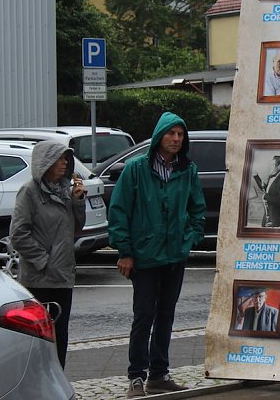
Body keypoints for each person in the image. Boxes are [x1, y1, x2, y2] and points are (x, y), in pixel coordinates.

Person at [108, 112, 206, 398]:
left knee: (166, 315)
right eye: (171, 133)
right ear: (159, 136)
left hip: (175, 256)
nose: (176, 139)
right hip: (145, 257)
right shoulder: (136, 169)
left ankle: (159, 374)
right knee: (143, 316)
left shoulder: (188, 170)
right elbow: (119, 211)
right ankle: (136, 376)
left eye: (180, 134)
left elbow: (197, 210)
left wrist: (190, 239)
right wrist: (125, 251)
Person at [9, 141, 86, 368]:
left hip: (63, 277)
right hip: (39, 279)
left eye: (65, 159)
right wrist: (44, 261)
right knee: (38, 338)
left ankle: (57, 383)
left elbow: (77, 227)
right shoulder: (29, 192)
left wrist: (78, 200)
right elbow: (18, 234)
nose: (64, 163)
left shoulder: (65, 190)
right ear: (46, 163)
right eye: (60, 158)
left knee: (60, 337)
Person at [253, 155, 280, 228]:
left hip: (275, 218)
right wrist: (256, 176)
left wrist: (266, 196)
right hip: (267, 215)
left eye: (272, 165)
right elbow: (266, 190)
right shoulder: (272, 175)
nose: (270, 167)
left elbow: (279, 201)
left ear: (279, 166)